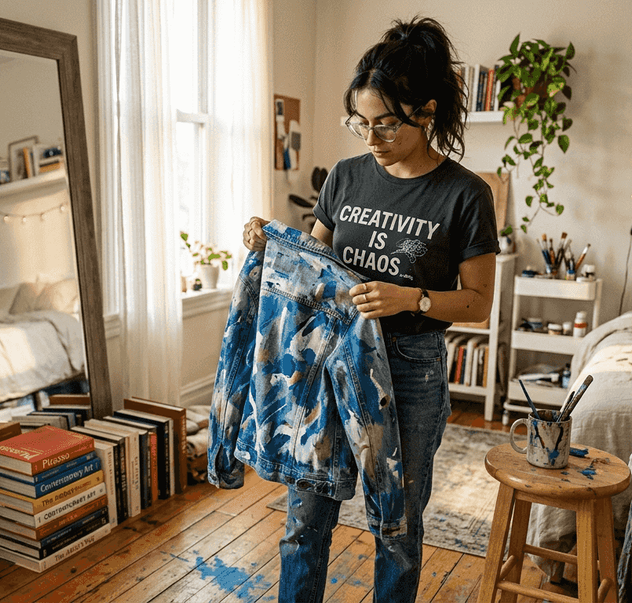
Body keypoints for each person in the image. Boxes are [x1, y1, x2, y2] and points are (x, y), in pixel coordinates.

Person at [242, 17, 498, 603]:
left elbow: (479, 303)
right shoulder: (346, 177)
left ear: (426, 113)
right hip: (328, 358)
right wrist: (272, 240)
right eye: (361, 122)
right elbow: (315, 262)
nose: (372, 138)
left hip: (410, 367)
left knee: (398, 523)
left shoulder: (464, 194)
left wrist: (412, 298)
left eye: (386, 123)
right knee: (305, 518)